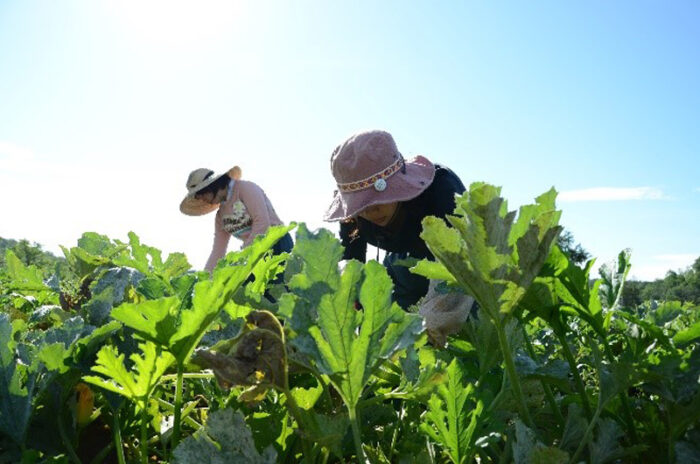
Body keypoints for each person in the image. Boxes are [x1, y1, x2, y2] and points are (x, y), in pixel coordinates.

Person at [324, 130, 474, 345]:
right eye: (362, 205)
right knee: (391, 323)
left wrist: (423, 334)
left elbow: (461, 268)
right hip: (404, 264)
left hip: (455, 263)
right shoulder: (353, 218)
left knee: (465, 323)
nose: (371, 212)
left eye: (379, 200)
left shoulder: (442, 190)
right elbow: (351, 267)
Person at [180, 166, 293, 272]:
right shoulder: (220, 216)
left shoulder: (245, 188)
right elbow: (218, 251)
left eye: (201, 195)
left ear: (210, 187)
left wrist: (242, 257)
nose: (203, 200)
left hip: (277, 244)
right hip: (252, 254)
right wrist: (206, 279)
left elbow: (262, 223)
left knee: (277, 289)